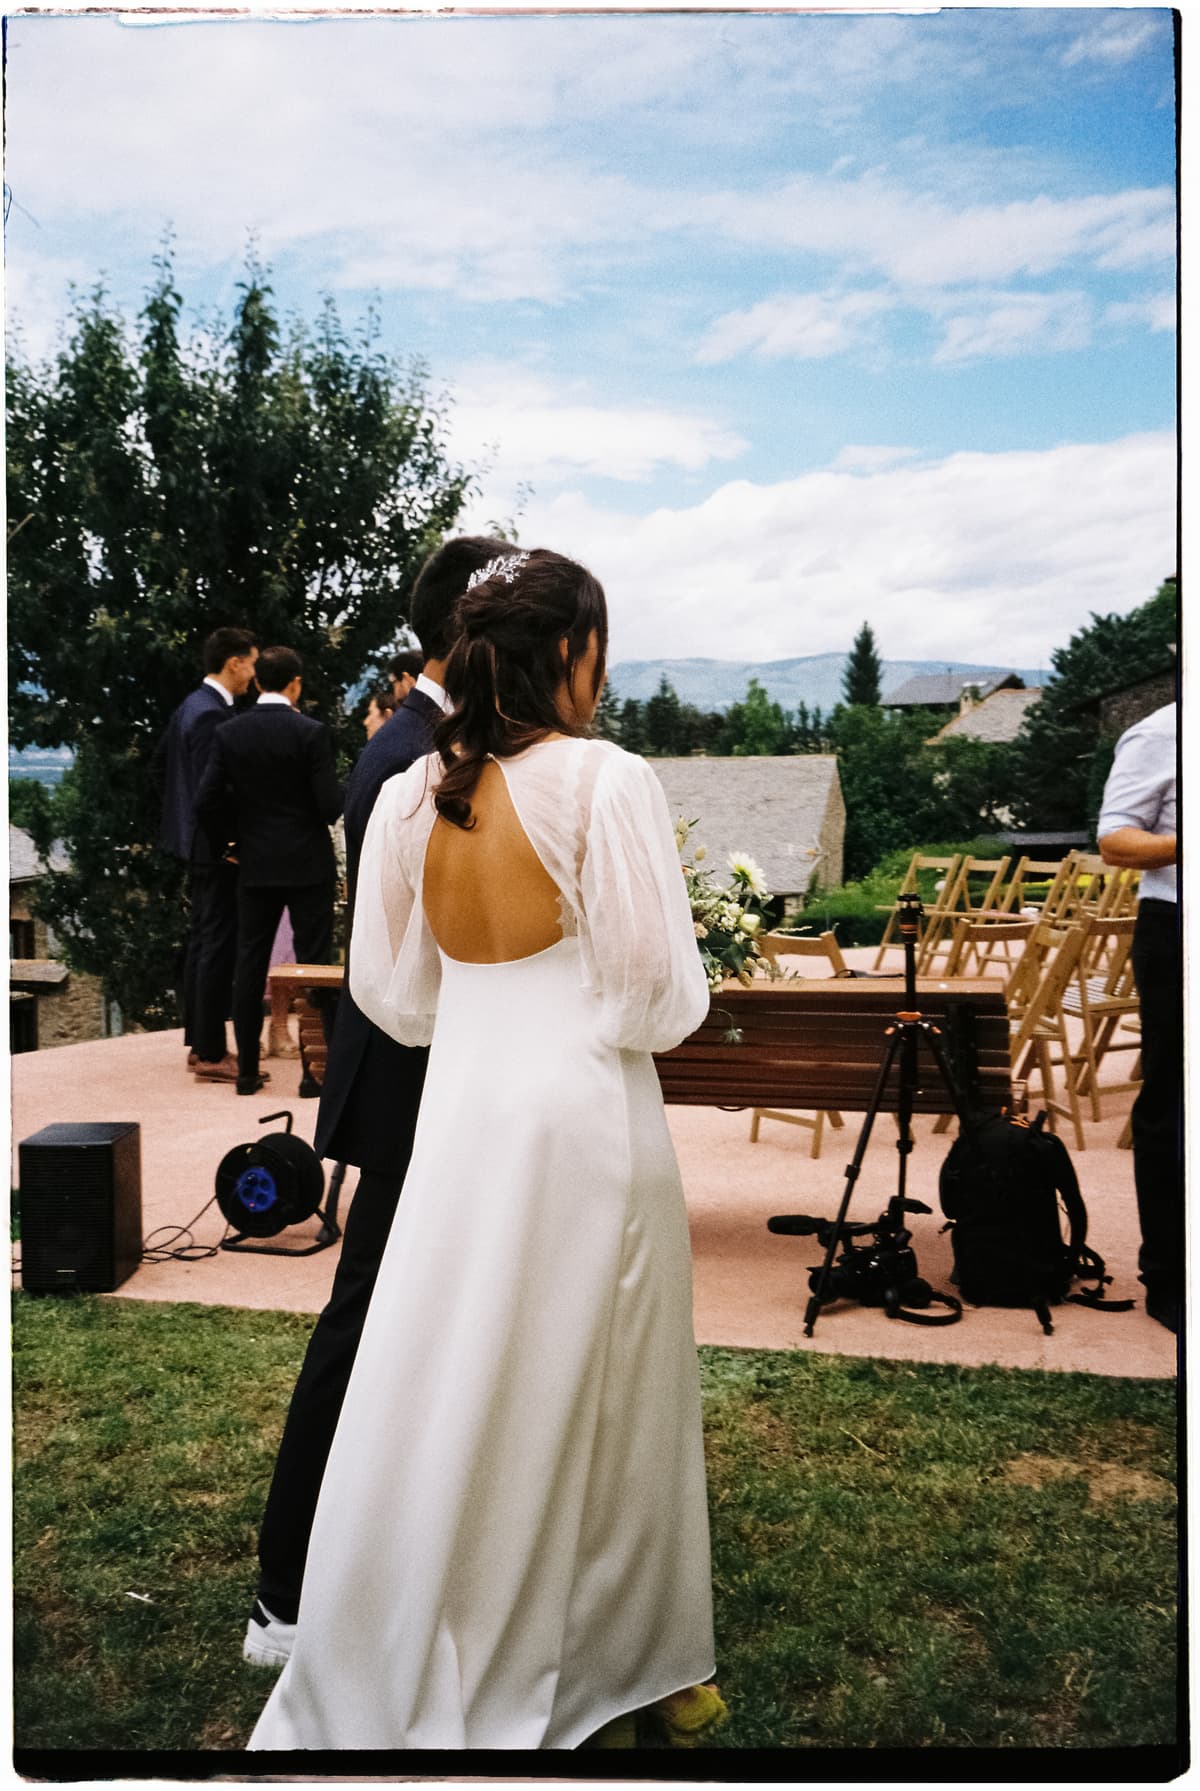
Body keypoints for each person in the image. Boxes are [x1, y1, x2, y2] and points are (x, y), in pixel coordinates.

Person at [248, 549, 720, 1750]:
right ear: (569, 652)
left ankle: (445, 1629)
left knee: (454, 1378)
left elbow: (394, 997)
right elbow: (658, 1005)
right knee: (601, 1384)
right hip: (584, 1117)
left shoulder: (409, 793)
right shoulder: (605, 782)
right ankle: (603, 1669)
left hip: (459, 1114)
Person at [245, 536, 511, 1667]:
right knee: (358, 1329)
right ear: (470, 630)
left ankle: (402, 1546)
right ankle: (284, 1590)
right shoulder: (406, 752)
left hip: (433, 1077)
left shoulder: (436, 737)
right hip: (408, 1080)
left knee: (411, 1326)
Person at [195, 646, 343, 1096]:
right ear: (295, 683)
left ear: (258, 682)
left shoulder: (231, 733)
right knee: (315, 965)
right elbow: (329, 805)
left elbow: (205, 800)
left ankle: (245, 1074)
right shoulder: (312, 733)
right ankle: (314, 1073)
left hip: (255, 863)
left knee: (249, 962)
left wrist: (230, 844)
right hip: (307, 863)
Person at [1097, 699, 1180, 1334]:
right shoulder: (1161, 732)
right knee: (1174, 1106)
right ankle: (1171, 1276)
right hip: (1179, 927)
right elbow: (1116, 841)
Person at [153, 626, 258, 1082]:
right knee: (217, 945)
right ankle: (213, 1053)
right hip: (213, 845)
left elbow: (161, 767)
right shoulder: (211, 715)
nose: (253, 674)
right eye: (251, 663)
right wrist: (228, 843)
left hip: (192, 840)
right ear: (234, 662)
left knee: (201, 942)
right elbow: (211, 792)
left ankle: (201, 1043)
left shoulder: (188, 707)